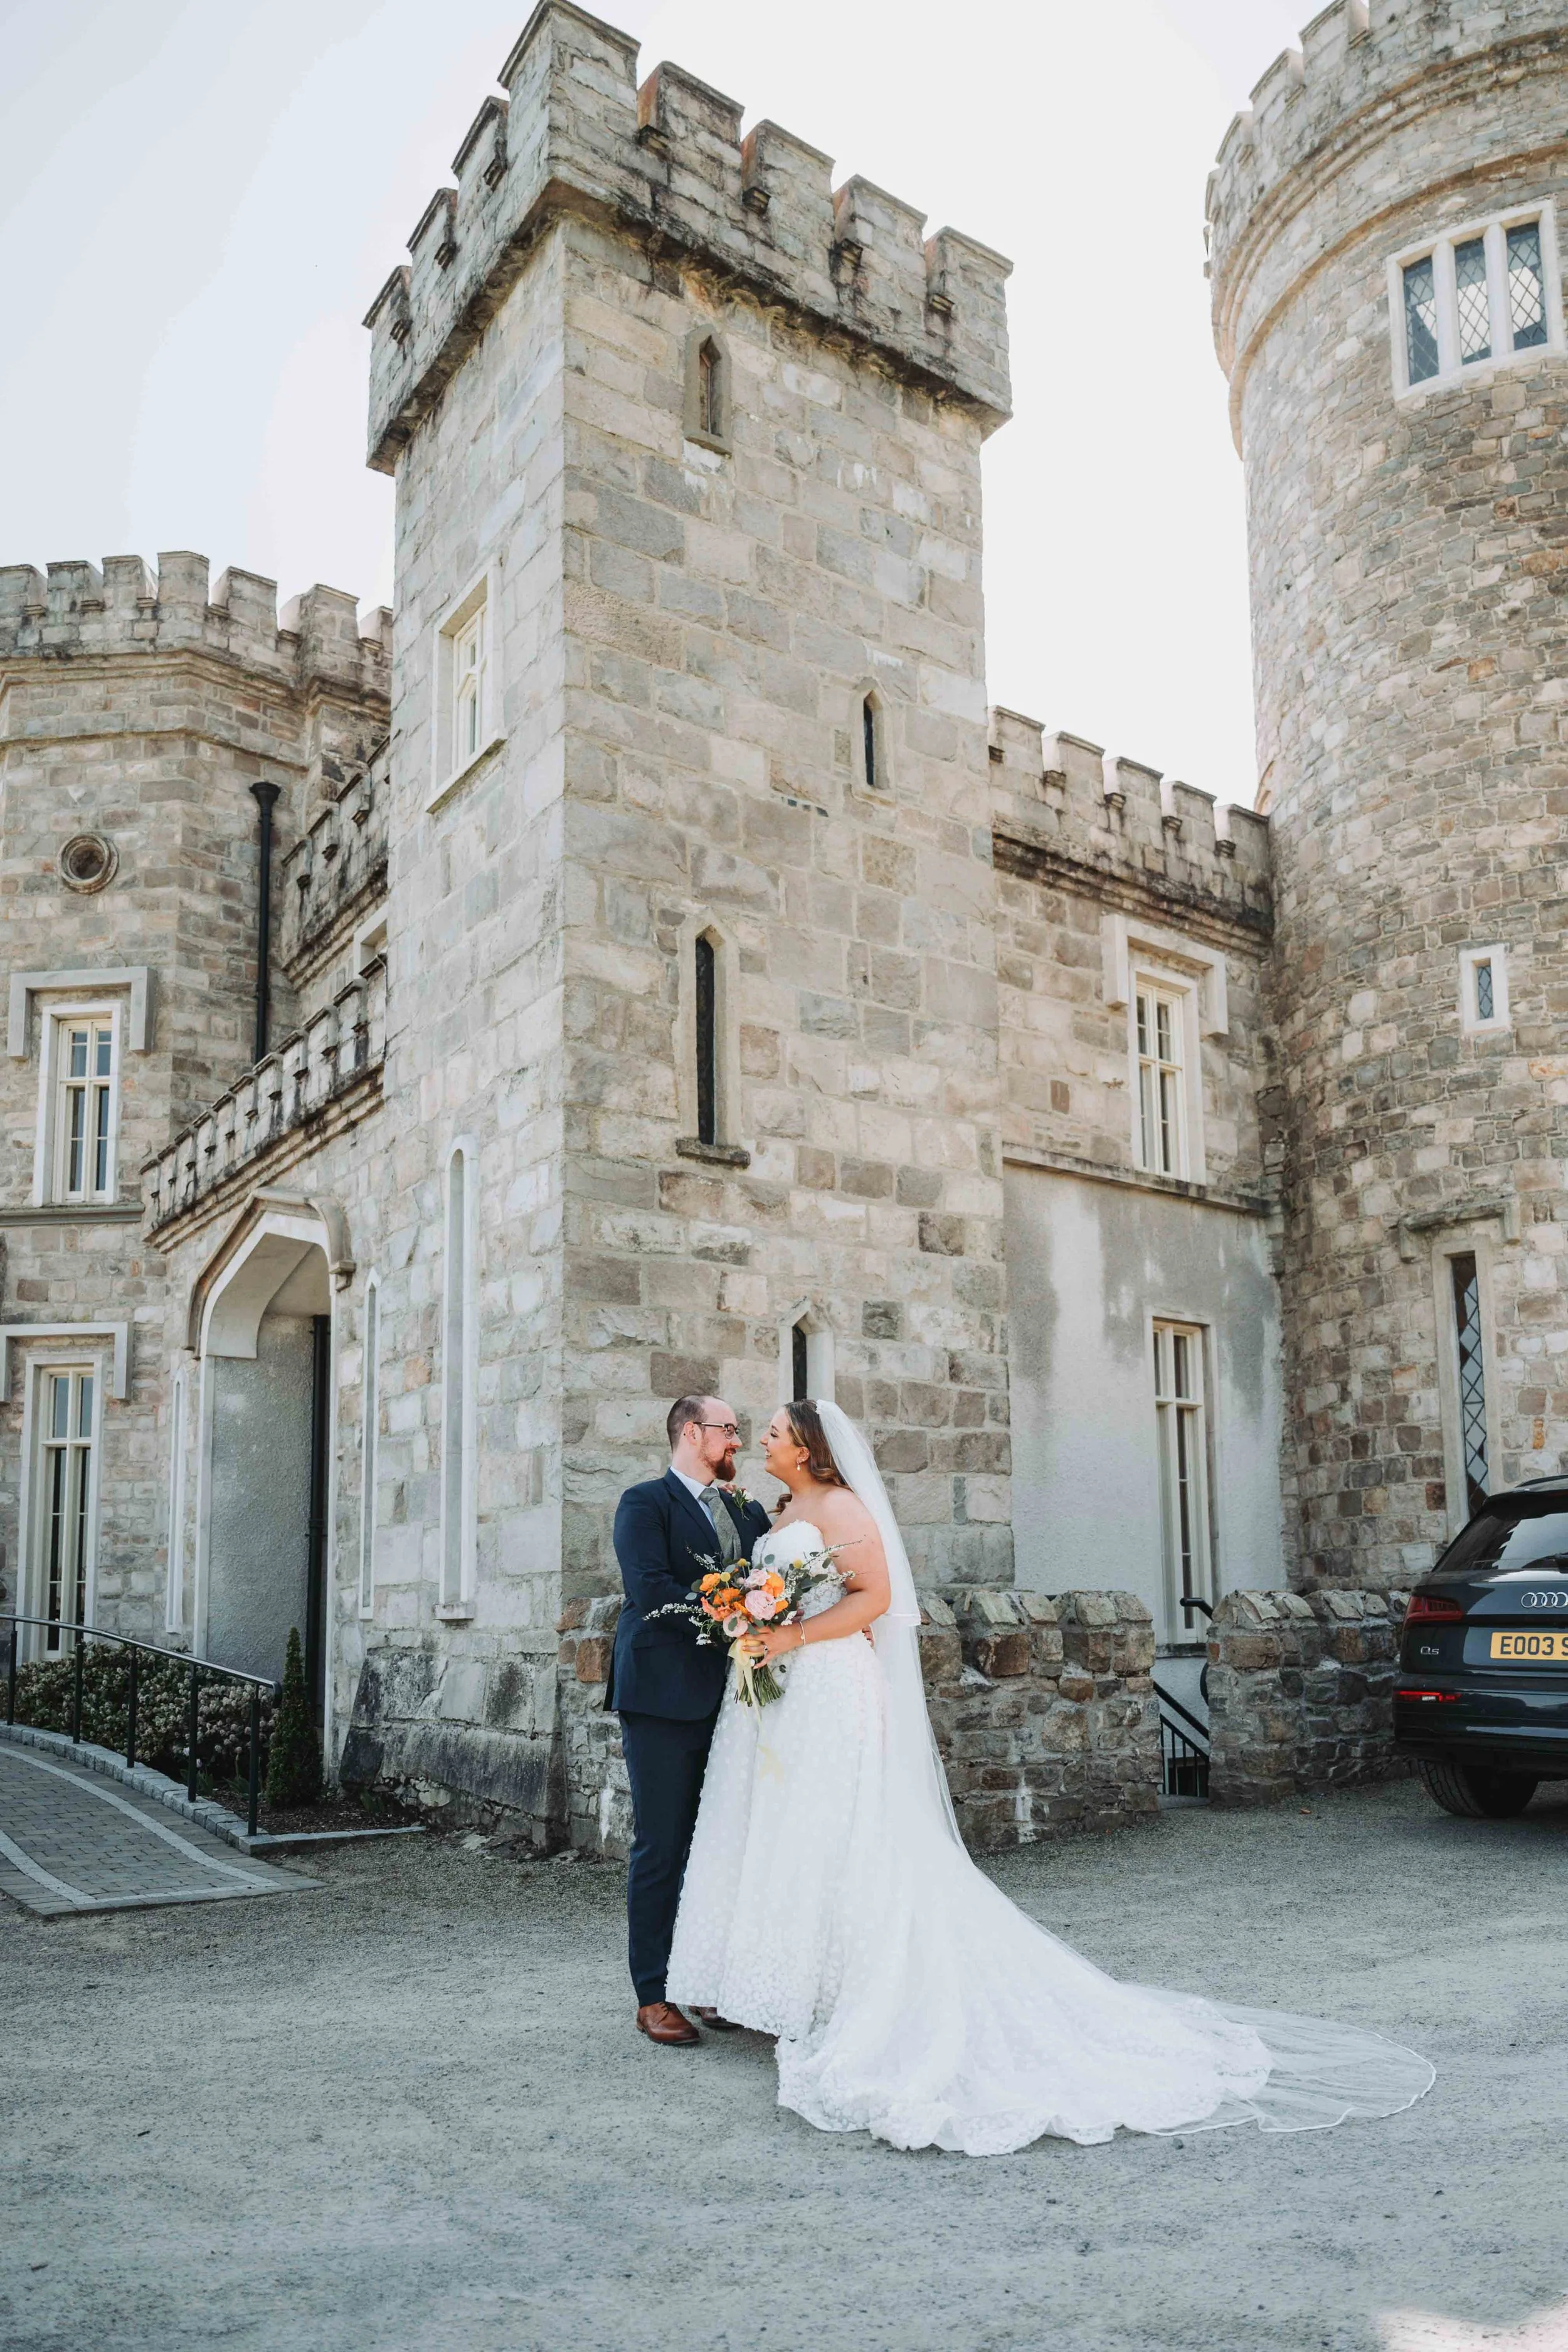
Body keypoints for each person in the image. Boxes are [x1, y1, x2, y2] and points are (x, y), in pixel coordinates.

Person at [666, 1399, 1436, 2154]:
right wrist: (756, 1626)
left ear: (806, 1448)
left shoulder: (841, 1507)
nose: (762, 1441)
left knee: (841, 1833)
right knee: (789, 1832)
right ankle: (788, 1988)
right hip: (784, 1693)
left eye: (773, 1433)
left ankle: (849, 1992)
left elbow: (878, 1597)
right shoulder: (779, 1512)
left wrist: (791, 1634)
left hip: (829, 1684)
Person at [608, 1395, 773, 2047]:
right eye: (728, 1431)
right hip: (661, 1696)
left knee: (723, 1844)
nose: (737, 1442)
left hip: (736, 1701)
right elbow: (649, 1589)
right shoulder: (644, 1503)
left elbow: (776, 1582)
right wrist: (733, 1614)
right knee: (663, 1845)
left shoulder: (747, 1510)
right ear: (691, 1433)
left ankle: (708, 1981)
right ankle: (653, 1995)